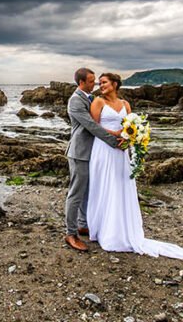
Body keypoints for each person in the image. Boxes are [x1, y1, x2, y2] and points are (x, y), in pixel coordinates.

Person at [86, 72, 183, 259]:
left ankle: (120, 228)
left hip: (121, 152)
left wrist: (130, 137)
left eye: (104, 82)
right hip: (103, 149)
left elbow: (131, 126)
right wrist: (117, 134)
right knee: (104, 185)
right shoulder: (97, 102)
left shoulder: (125, 104)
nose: (100, 85)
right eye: (99, 83)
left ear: (115, 84)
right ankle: (100, 229)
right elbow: (93, 127)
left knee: (120, 186)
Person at [63, 67, 122, 252]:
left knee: (88, 191)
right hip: (79, 152)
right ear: (81, 83)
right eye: (91, 81)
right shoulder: (75, 101)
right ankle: (70, 234)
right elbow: (90, 126)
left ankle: (83, 224)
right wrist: (114, 140)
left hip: (93, 152)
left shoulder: (90, 99)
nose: (95, 84)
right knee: (76, 193)